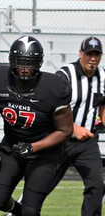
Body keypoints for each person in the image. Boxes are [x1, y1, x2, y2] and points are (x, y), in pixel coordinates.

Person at [0, 35, 73, 216]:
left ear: (39, 64)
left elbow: (65, 130)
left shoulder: (53, 88)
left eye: (30, 63)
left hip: (43, 154)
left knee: (31, 211)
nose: (24, 69)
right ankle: (17, 212)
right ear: (11, 61)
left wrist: (33, 147)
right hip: (12, 147)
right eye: (20, 62)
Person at [48, 36, 105, 216]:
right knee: (42, 185)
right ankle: (17, 212)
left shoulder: (103, 77)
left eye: (97, 54)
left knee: (97, 185)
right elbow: (49, 110)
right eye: (89, 54)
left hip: (87, 143)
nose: (93, 58)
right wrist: (73, 128)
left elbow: (103, 107)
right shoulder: (64, 75)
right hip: (60, 139)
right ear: (81, 54)